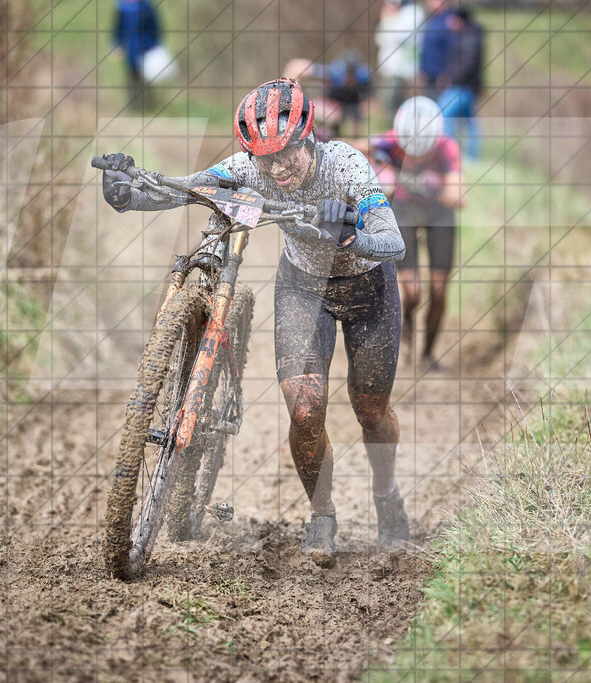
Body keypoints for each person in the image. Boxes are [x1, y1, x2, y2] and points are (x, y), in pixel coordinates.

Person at [98, 79, 409, 566]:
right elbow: (186, 189)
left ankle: (387, 495)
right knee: (305, 410)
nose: (277, 168)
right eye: (265, 159)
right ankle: (321, 514)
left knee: (370, 410)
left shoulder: (346, 165)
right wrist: (126, 194)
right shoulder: (246, 168)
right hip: (304, 288)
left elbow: (394, 242)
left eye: (286, 154)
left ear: (308, 138)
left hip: (369, 291)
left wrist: (352, 236)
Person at [370, 96, 464, 369]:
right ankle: (407, 326)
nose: (416, 156)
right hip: (405, 210)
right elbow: (356, 148)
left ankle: (428, 355)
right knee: (412, 291)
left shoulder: (447, 147)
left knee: (438, 290)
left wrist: (431, 185)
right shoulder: (390, 140)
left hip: (439, 214)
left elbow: (460, 198)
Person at [419, 0, 483, 158]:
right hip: (464, 86)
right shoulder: (465, 35)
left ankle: (451, 152)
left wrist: (449, 77)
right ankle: (470, 156)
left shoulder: (468, 38)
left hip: (462, 86)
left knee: (443, 114)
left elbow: (466, 65)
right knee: (468, 121)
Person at [284, 53, 372, 138]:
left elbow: (369, 101)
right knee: (330, 116)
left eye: (352, 75)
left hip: (353, 104)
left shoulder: (363, 77)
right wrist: (289, 89)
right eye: (348, 74)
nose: (350, 78)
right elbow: (297, 66)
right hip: (333, 104)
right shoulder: (334, 73)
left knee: (356, 124)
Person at [374, 0, 425, 125]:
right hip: (390, 69)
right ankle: (395, 131)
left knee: (404, 105)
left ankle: (403, 131)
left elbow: (399, 36)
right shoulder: (394, 14)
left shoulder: (414, 12)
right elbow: (379, 37)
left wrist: (389, 19)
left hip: (406, 70)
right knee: (389, 103)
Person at [112, 0, 162, 110]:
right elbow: (118, 28)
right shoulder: (122, 7)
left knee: (147, 76)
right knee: (132, 76)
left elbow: (154, 27)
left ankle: (149, 104)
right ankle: (134, 105)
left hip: (146, 47)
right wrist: (117, 45)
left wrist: (155, 45)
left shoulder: (146, 6)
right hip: (130, 49)